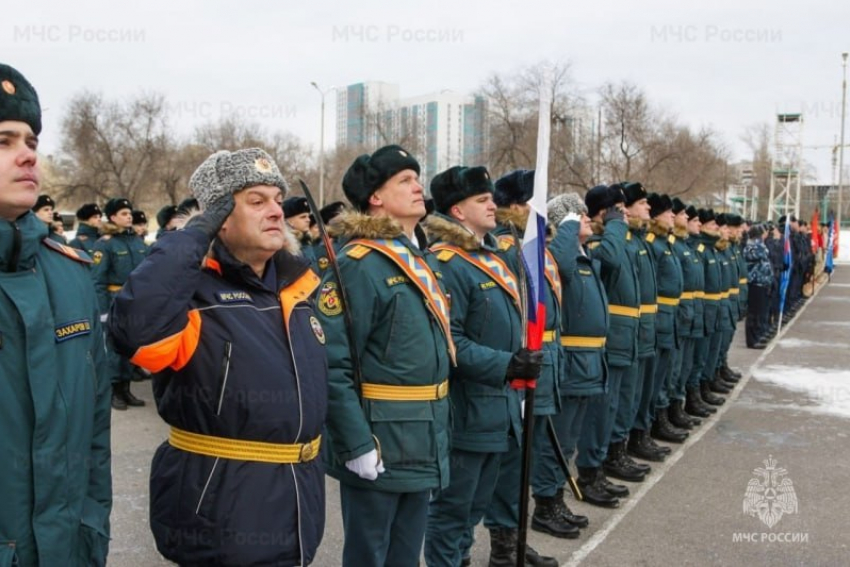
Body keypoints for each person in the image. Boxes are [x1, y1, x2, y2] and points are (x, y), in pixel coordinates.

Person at [109, 147, 327, 565]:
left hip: (298, 500)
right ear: (220, 217)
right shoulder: (191, 293)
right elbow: (134, 332)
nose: (276, 212)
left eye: (278, 200)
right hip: (222, 513)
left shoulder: (296, 289)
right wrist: (193, 235)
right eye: (256, 201)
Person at [317, 145, 452, 567]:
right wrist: (355, 444)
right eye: (405, 181)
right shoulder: (360, 264)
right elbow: (331, 362)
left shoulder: (417, 259)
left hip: (422, 435)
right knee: (369, 555)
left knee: (405, 557)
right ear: (376, 196)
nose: (419, 187)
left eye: (417, 178)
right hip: (380, 440)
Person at [0, 61, 112, 566]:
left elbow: (94, 431)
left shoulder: (68, 273)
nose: (26, 156)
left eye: (31, 142)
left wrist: (91, 523)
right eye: (4, 141)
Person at [423, 165, 553, 567]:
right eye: (482, 200)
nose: (493, 204)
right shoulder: (447, 262)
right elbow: (451, 342)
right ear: (457, 211)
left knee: (474, 509)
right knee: (452, 513)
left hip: (497, 406)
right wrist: (508, 363)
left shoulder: (489, 256)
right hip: (466, 410)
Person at [492, 172, 585, 542]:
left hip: (548, 357)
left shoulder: (532, 245)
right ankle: (506, 540)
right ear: (516, 206)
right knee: (516, 459)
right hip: (525, 360)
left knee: (538, 449)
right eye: (535, 201)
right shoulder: (508, 246)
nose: (542, 210)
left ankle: (518, 536)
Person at [91, 197, 149, 410]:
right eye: (124, 213)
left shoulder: (136, 241)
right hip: (115, 300)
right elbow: (97, 279)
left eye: (129, 213)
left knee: (131, 346)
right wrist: (103, 310)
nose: (129, 216)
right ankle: (114, 391)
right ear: (113, 217)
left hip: (136, 301)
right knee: (114, 348)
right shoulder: (105, 244)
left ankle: (126, 388)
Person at [643, 194, 688, 445]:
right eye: (669, 212)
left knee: (665, 373)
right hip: (658, 316)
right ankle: (653, 423)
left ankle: (658, 420)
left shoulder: (664, 242)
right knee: (654, 380)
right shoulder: (653, 243)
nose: (674, 216)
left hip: (670, 316)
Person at [744, 224, 773, 349]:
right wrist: (761, 243)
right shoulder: (752, 246)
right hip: (755, 284)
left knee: (761, 312)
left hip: (762, 283)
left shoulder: (759, 245)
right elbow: (755, 255)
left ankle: (759, 336)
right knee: (754, 313)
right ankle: (752, 339)